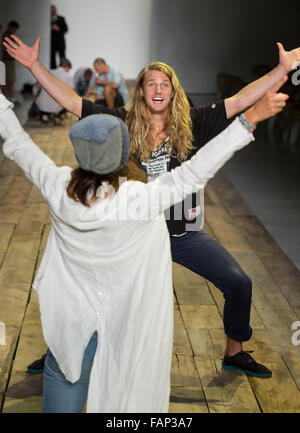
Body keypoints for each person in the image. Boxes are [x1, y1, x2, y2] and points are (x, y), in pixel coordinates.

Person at [3, 34, 299, 379]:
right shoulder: (121, 122)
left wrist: (282, 70)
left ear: (173, 91)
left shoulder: (196, 122)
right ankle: (60, 352)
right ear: (141, 90)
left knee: (239, 283)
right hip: (132, 234)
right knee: (89, 293)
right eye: (151, 84)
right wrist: (33, 65)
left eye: (165, 84)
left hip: (181, 233)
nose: (158, 90)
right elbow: (71, 101)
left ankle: (235, 352)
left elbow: (241, 99)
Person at [34, 57, 73, 124]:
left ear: (58, 65)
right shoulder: (67, 76)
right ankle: (57, 115)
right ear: (67, 67)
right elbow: (73, 91)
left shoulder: (49, 72)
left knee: (41, 96)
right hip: (57, 106)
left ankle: (45, 115)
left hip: (42, 105)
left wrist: (35, 96)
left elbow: (36, 86)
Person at [1, 20, 20, 103]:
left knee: (7, 80)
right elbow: (6, 48)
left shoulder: (7, 35)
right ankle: (10, 98)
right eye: (15, 29)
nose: (15, 31)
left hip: (7, 60)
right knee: (9, 80)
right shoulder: (7, 35)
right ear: (11, 27)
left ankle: (8, 98)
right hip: (8, 61)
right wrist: (14, 50)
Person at [51, 5, 68, 69]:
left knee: (62, 56)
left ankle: (64, 68)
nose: (53, 11)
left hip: (60, 41)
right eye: (51, 10)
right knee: (52, 56)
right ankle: (53, 69)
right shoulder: (47, 19)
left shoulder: (61, 18)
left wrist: (58, 29)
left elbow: (66, 29)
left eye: (54, 10)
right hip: (52, 42)